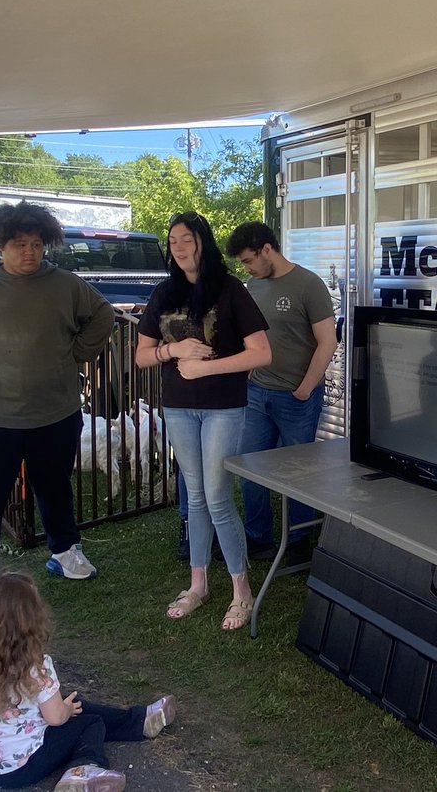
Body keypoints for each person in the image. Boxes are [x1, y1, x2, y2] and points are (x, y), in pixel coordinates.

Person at [0, 202, 115, 612]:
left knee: (55, 488)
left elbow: (102, 314)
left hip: (56, 412)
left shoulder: (65, 284)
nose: (30, 252)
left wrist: (79, 352)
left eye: (36, 244)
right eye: (19, 244)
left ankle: (65, 552)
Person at [135, 212, 271, 632]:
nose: (179, 246)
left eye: (187, 239)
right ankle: (198, 585)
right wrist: (173, 354)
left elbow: (261, 353)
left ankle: (241, 591)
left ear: (202, 243)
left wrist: (206, 369)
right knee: (194, 497)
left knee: (215, 496)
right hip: (178, 406)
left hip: (223, 406)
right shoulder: (164, 293)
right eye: (173, 240)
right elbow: (142, 355)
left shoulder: (230, 290)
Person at [0, 573, 175, 791]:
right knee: (89, 722)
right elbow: (57, 718)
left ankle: (140, 720)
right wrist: (66, 710)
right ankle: (83, 769)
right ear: (30, 622)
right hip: (24, 767)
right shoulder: (36, 668)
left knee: (71, 702)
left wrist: (67, 707)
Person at [225, 221, 337, 565]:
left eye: (248, 260)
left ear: (267, 250)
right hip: (257, 394)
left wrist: (304, 389)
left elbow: (328, 341)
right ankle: (258, 539)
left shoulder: (309, 285)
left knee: (299, 473)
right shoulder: (253, 286)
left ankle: (299, 540)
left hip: (296, 399)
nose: (247, 267)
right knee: (251, 468)